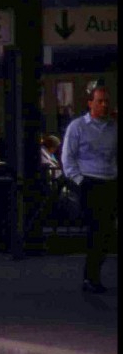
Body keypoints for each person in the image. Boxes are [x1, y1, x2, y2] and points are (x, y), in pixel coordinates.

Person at [61, 82, 117, 294]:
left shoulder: (113, 128)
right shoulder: (77, 127)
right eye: (100, 101)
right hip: (89, 182)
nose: (104, 105)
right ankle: (91, 277)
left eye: (106, 102)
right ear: (90, 103)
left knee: (107, 232)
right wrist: (79, 182)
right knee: (97, 230)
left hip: (110, 181)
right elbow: (68, 157)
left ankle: (93, 275)